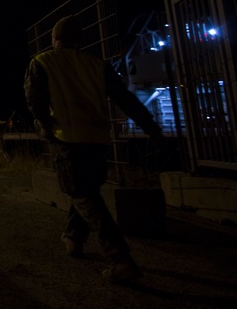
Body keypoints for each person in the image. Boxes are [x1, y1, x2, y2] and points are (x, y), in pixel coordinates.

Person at [24, 14, 164, 283]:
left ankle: (120, 258)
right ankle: (73, 238)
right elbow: (126, 98)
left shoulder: (42, 61)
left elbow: (34, 98)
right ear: (78, 41)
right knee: (87, 190)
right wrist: (151, 128)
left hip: (67, 137)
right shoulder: (96, 64)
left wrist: (43, 123)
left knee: (81, 193)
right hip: (98, 140)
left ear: (54, 39)